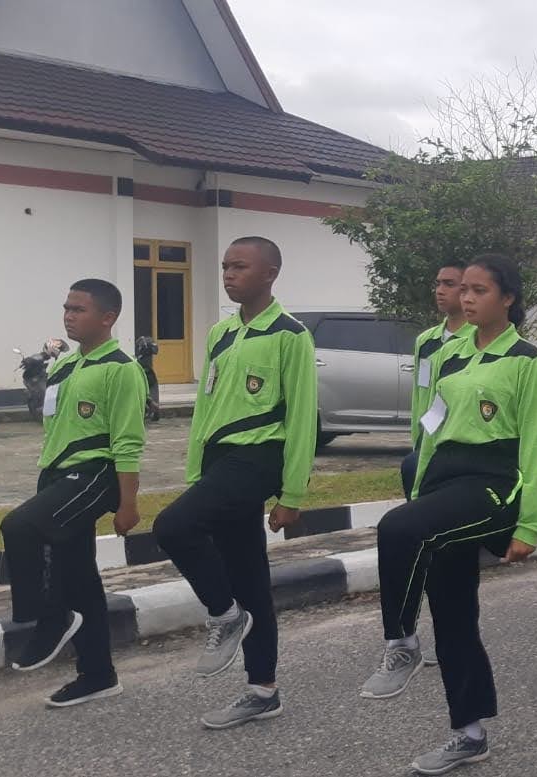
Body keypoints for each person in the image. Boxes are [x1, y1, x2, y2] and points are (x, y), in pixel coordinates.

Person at [360, 255, 537, 774]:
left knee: (396, 528)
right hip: (444, 482)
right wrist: (419, 490)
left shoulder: (525, 360)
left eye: (479, 290)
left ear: (507, 298)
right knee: (453, 614)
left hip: (491, 484)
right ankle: (469, 733)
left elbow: (535, 444)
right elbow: (431, 429)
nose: (466, 298)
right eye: (463, 289)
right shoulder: (448, 354)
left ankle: (401, 643)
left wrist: (529, 523)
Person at [153, 236, 316, 729]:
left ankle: (223, 614)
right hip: (220, 460)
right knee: (249, 576)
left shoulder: (290, 335)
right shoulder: (220, 334)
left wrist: (292, 493)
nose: (228, 274)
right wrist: (196, 469)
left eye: (240, 266)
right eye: (225, 266)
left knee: (173, 526)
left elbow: (303, 415)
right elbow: (206, 404)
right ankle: (263, 690)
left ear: (270, 273)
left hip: (259, 457)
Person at [0, 279, 145, 708]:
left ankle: (50, 619)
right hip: (58, 476)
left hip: (95, 474)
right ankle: (98, 675)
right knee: (79, 575)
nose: (68, 316)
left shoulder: (121, 368)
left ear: (107, 317)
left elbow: (128, 440)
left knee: (19, 526)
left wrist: (129, 502)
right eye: (66, 308)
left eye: (78, 309)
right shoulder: (64, 366)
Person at [405, 261, 473, 499]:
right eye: (438, 284)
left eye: (449, 284)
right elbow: (419, 393)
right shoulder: (426, 341)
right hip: (426, 440)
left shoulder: (477, 341)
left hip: (455, 445)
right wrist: (417, 439)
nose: (440, 290)